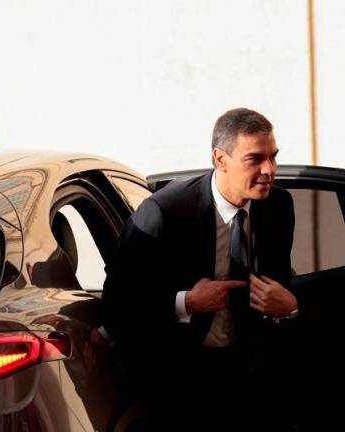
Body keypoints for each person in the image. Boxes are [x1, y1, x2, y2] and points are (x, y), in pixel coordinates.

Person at [101, 108, 298, 431]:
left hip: (253, 376)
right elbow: (118, 306)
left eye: (273, 157)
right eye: (255, 159)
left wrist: (289, 307)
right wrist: (186, 302)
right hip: (181, 376)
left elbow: (279, 282)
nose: (269, 170)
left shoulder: (277, 206)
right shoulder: (164, 212)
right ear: (220, 159)